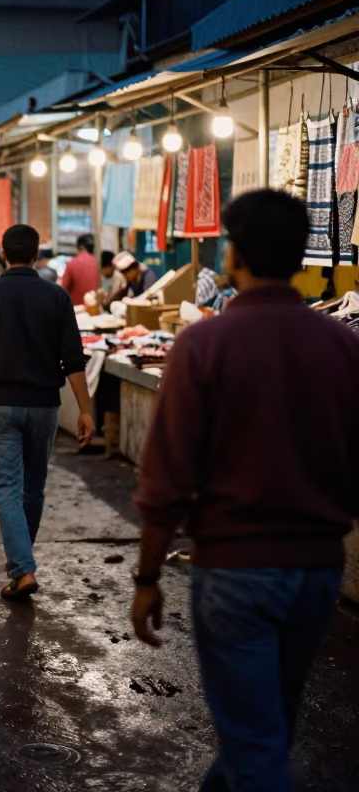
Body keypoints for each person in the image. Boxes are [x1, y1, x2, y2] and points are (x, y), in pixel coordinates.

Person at [131, 189, 359, 791]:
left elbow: (166, 480)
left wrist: (147, 577)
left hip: (235, 571)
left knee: (255, 741)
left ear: (233, 256)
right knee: (264, 729)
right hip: (316, 573)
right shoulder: (343, 345)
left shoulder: (206, 345)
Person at [0, 224, 95, 600]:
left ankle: (23, 568)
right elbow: (73, 358)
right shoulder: (56, 297)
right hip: (45, 405)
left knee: (5, 489)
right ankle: (22, 564)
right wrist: (85, 410)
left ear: (3, 254)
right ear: (37, 256)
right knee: (33, 488)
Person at [60, 233, 100, 307]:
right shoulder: (98, 262)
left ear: (80, 247)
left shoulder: (72, 263)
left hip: (77, 308)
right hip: (96, 307)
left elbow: (64, 288)